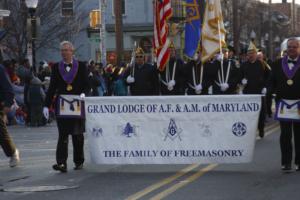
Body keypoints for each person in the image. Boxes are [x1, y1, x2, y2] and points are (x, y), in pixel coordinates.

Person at [44, 41, 90, 172]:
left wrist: (84, 94)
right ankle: (61, 163)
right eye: (62, 50)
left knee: (77, 135)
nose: (64, 53)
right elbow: (52, 87)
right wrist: (46, 105)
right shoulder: (56, 67)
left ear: (72, 51)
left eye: (66, 50)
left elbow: (87, 84)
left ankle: (79, 161)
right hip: (62, 104)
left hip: (77, 103)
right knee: (63, 135)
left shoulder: (81, 66)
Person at [271, 38, 300, 172]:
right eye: (289, 47)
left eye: (294, 47)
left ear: (299, 48)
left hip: (299, 104)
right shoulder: (277, 64)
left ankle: (299, 162)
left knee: (299, 134)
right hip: (283, 104)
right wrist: (268, 93)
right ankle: (286, 163)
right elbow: (271, 82)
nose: (291, 49)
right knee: (285, 135)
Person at [240, 42, 271, 138]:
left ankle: (261, 129)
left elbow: (269, 76)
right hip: (248, 92)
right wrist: (242, 81)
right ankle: (250, 131)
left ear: (255, 54)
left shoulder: (262, 64)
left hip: (259, 92)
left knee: (261, 112)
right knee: (249, 113)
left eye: (252, 53)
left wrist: (266, 87)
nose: (251, 55)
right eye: (249, 53)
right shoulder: (244, 65)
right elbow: (239, 77)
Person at [0, 63, 20, 167]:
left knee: (1, 133)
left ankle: (12, 152)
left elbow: (8, 88)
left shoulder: (0, 69)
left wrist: (8, 103)